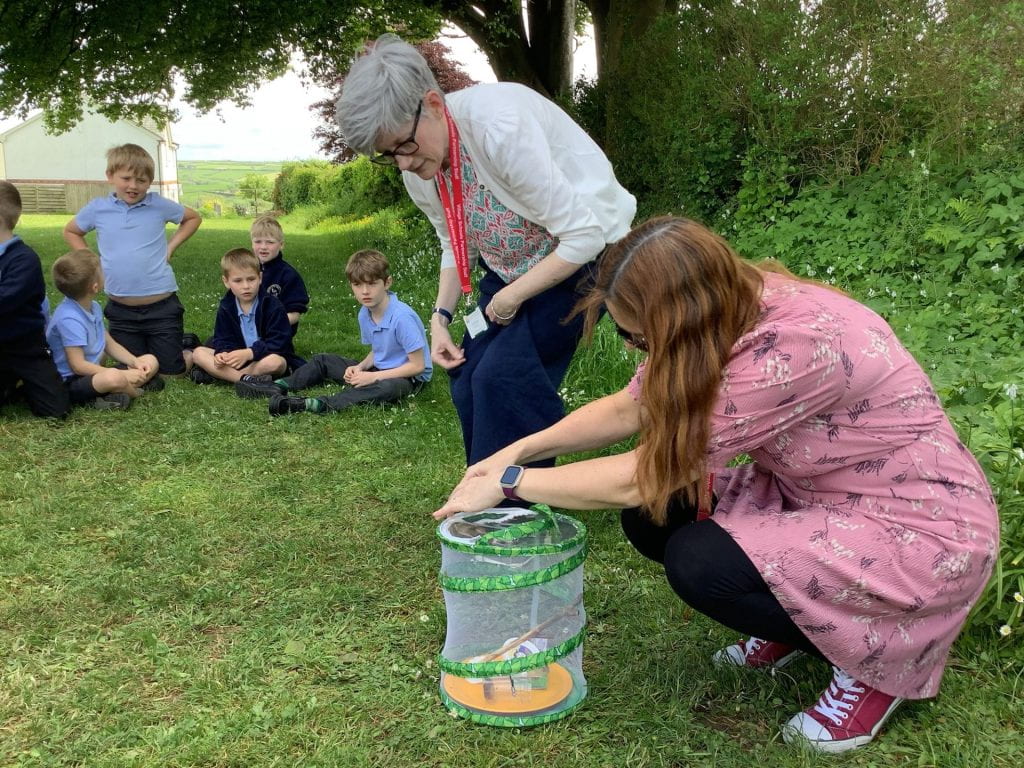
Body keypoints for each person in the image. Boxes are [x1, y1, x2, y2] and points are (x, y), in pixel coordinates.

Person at [435, 217, 999, 753]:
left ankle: (876, 669)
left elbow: (643, 475)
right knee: (659, 518)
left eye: (640, 338)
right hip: (820, 495)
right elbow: (631, 405)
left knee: (699, 561)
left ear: (679, 314)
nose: (639, 350)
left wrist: (512, 483)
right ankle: (811, 625)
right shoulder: (732, 301)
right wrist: (519, 448)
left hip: (918, 532)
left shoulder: (792, 350)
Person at [335, 34, 635, 466]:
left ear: (434, 105)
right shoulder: (418, 169)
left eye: (402, 145)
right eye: (386, 154)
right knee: (466, 373)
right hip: (508, 274)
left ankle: (517, 511)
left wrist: (512, 297)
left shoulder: (499, 127)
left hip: (582, 262)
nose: (400, 163)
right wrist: (440, 319)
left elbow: (583, 237)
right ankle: (485, 496)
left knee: (505, 379)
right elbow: (453, 243)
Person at [237, 249, 431, 416]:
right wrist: (361, 367)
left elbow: (417, 366)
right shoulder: (365, 312)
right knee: (323, 360)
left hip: (408, 378)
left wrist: (373, 377)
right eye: (357, 285)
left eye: (372, 284)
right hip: (381, 369)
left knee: (387, 388)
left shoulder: (401, 317)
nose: (365, 291)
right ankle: (277, 386)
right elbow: (380, 350)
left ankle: (318, 404)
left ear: (387, 283)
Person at [62, 143, 202, 376]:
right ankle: (157, 346)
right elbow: (71, 231)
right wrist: (92, 262)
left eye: (141, 181)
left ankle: (187, 351)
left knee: (171, 373)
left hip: (162, 308)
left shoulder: (158, 205)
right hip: (121, 312)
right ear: (110, 176)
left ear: (150, 182)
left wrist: (170, 247)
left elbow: (193, 218)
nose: (133, 186)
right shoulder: (98, 209)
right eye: (126, 178)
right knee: (131, 369)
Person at [46, 249, 161, 410]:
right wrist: (122, 375)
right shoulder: (69, 319)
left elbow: (109, 343)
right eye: (102, 271)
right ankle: (134, 392)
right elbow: (77, 366)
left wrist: (134, 362)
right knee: (113, 377)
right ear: (95, 287)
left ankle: (114, 393)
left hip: (95, 372)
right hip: (71, 381)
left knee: (150, 360)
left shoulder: (93, 307)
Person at [0, 181, 70, 419]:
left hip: (25, 347)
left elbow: (5, 301)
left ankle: (24, 386)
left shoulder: (24, 259)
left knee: (56, 410)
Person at [190, 248, 297, 390]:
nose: (246, 286)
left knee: (275, 363)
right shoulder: (226, 307)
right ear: (226, 282)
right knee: (198, 353)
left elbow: (279, 342)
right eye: (238, 281)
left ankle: (231, 376)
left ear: (260, 278)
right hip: (238, 358)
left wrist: (250, 353)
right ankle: (246, 379)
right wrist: (222, 353)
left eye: (251, 279)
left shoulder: (273, 306)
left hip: (263, 357)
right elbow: (222, 338)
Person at [250, 214, 309, 339]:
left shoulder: (289, 275)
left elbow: (294, 314)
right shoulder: (247, 271)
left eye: (270, 242)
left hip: (275, 335)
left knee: (269, 358)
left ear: (281, 245)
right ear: (252, 243)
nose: (263, 247)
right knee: (211, 344)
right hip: (247, 330)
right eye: (258, 241)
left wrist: (268, 324)